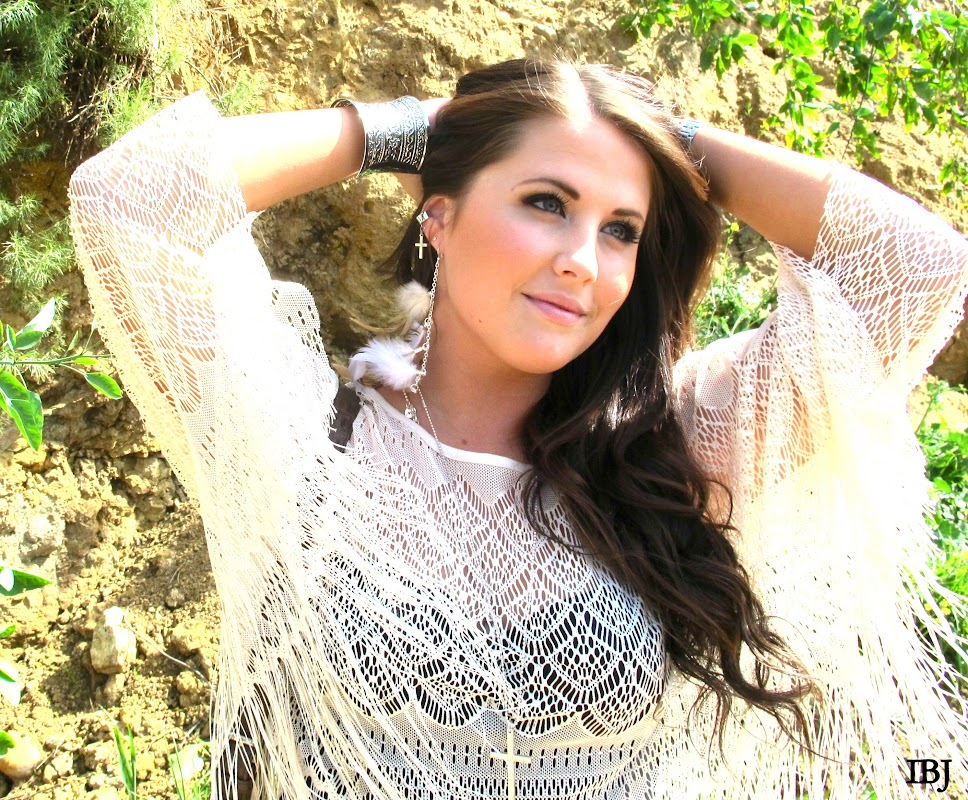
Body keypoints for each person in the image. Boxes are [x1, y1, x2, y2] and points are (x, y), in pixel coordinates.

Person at [68, 57, 968, 799]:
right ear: (439, 216)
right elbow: (131, 202)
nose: (582, 261)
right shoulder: (307, 446)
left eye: (621, 228)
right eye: (546, 202)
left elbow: (914, 269)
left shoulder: (682, 444)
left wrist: (662, 137)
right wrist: (405, 128)